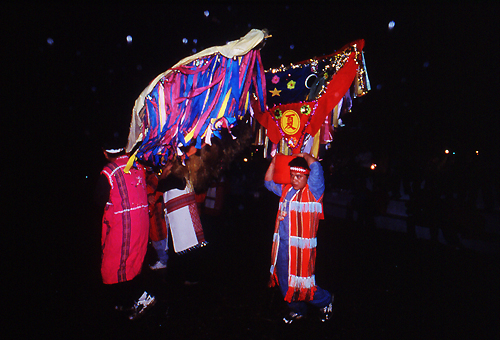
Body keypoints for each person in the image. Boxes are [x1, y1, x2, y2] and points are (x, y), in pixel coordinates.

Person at [264, 153, 333, 324]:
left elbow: (316, 166)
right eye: (292, 176)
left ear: (308, 177)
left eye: (299, 176)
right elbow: (267, 182)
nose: (294, 180)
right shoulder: (287, 189)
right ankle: (297, 310)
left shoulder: (314, 191)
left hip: (302, 249)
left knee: (303, 284)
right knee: (284, 282)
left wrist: (304, 155)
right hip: (283, 246)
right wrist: (274, 162)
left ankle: (326, 301)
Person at [95, 143, 156, 320]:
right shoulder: (136, 165)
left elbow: (98, 200)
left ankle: (141, 297)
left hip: (123, 227)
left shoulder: (109, 172)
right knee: (132, 262)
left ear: (105, 153)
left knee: (115, 266)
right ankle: (127, 302)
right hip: (141, 223)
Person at [145, 167, 169, 270]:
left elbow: (153, 199)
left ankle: (163, 261)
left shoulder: (151, 181)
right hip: (157, 218)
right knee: (159, 241)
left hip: (157, 218)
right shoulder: (150, 180)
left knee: (159, 242)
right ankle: (163, 261)